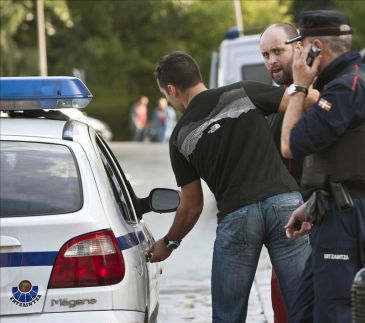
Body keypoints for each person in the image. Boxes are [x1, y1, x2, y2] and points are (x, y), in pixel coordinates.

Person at [149, 51, 313, 322]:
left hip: (238, 218)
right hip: (286, 205)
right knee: (304, 305)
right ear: (197, 76)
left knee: (228, 315)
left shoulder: (180, 136)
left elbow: (191, 206)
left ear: (171, 89)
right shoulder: (242, 92)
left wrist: (169, 242)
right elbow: (299, 101)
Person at [281, 10, 365, 323]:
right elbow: (343, 159)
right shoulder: (347, 82)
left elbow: (289, 144)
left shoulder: (346, 88)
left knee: (336, 312)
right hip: (332, 209)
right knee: (304, 311)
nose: (297, 53)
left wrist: (299, 87)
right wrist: (312, 203)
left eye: (299, 45)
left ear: (316, 47)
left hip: (346, 219)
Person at [260, 23, 305, 323]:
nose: (271, 61)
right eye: (265, 54)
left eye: (278, 51)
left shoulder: (318, 94)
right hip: (287, 225)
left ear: (298, 48)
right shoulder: (272, 102)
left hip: (323, 218)